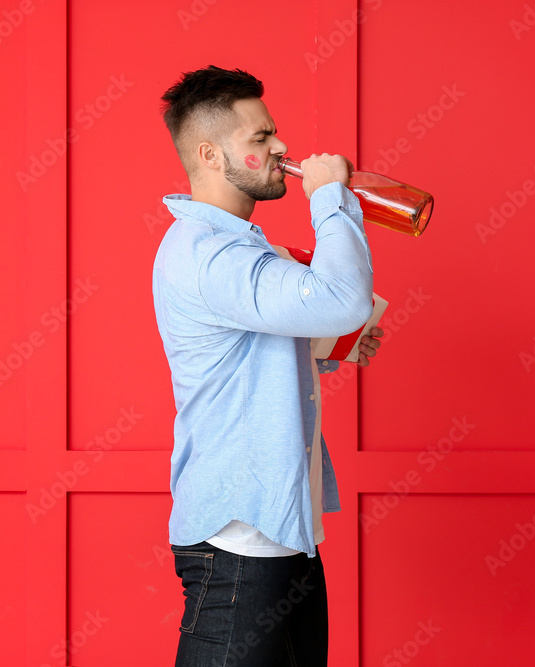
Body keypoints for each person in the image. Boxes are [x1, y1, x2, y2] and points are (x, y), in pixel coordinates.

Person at [152, 65, 384, 666]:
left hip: (282, 534)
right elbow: (344, 299)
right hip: (238, 543)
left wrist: (325, 349)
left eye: (273, 131)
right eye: (260, 138)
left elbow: (249, 352)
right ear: (210, 153)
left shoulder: (241, 247)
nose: (282, 148)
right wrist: (331, 197)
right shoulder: (211, 253)